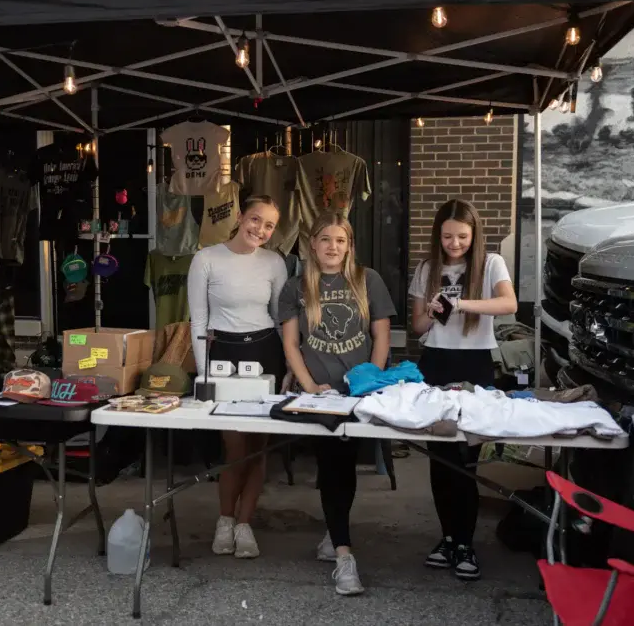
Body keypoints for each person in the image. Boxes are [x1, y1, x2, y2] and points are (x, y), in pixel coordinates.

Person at [278, 212, 395, 596]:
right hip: (321, 395)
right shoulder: (295, 287)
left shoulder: (367, 280)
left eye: (340, 240)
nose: (333, 247)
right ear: (312, 244)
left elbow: (381, 337)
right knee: (331, 464)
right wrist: (311, 387)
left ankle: (334, 533)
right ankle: (345, 556)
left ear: (349, 245)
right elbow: (291, 344)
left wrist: (369, 382)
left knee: (345, 465)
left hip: (356, 392)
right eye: (325, 239)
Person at [409, 198, 517, 581]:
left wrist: (460, 303)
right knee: (440, 458)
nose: (454, 244)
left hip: (475, 364)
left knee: (466, 458)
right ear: (437, 235)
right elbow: (417, 327)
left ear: (474, 235)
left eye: (462, 236)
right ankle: (448, 538)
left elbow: (509, 303)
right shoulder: (427, 268)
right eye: (447, 236)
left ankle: (466, 543)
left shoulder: (491, 263)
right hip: (435, 363)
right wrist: (432, 313)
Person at [187, 193, 287, 559]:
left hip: (265, 353)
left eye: (269, 225)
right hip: (223, 355)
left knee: (258, 446)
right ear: (242, 216)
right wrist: (204, 375)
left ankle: (245, 524)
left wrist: (291, 368)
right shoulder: (206, 259)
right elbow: (198, 321)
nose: (260, 229)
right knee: (234, 445)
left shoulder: (275, 262)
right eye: (256, 219)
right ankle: (225, 520)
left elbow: (281, 320)